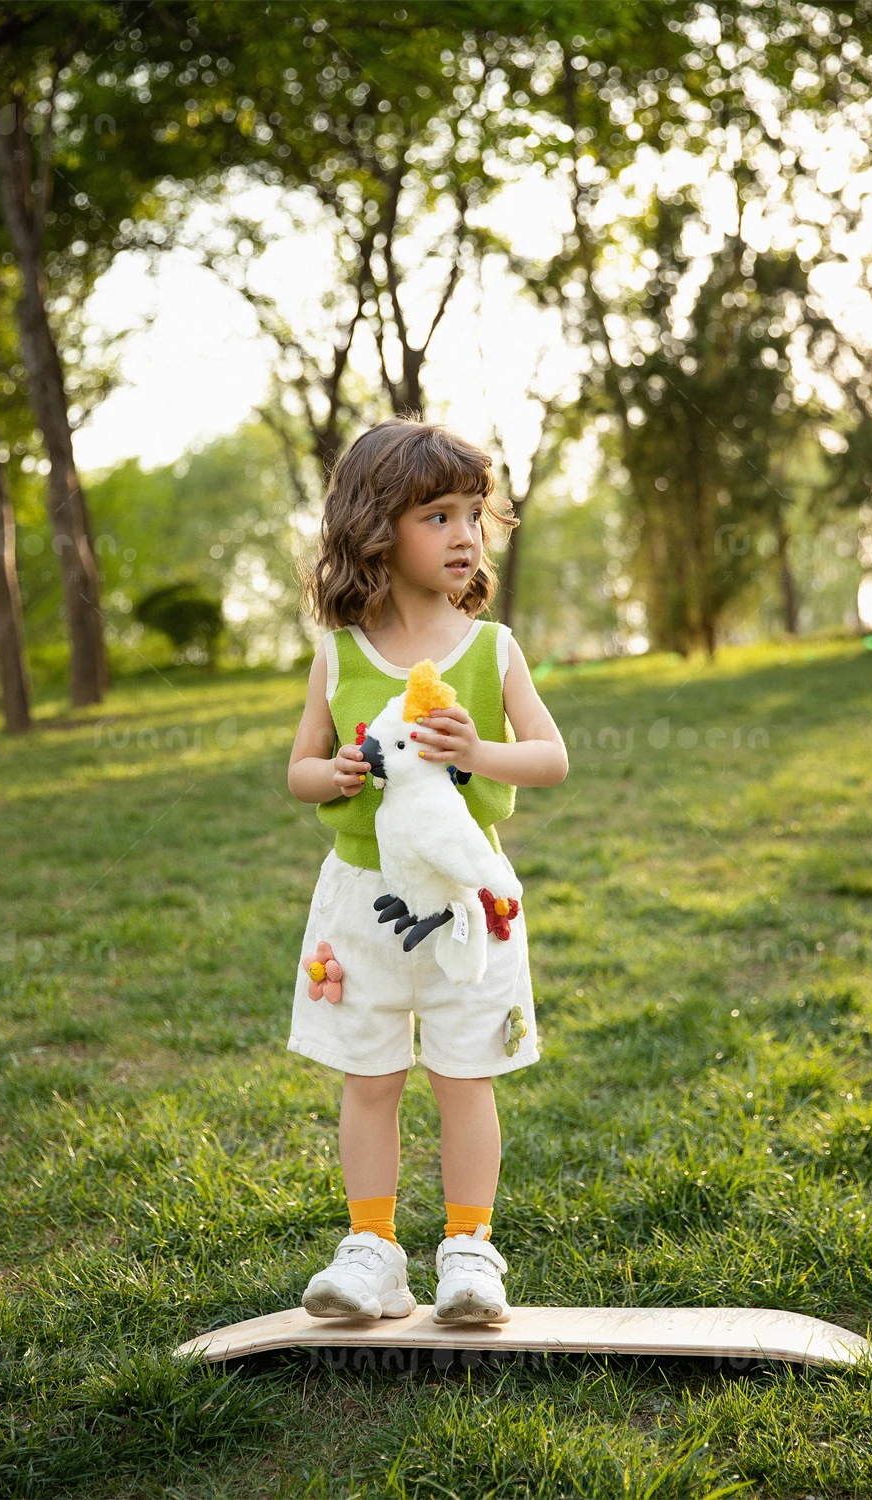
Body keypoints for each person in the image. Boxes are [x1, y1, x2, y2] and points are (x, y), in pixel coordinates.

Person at [287, 416, 569, 1324]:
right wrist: (329, 775)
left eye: (472, 515)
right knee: (369, 1079)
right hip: (362, 905)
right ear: (377, 530)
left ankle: (469, 1252)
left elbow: (551, 758)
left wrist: (478, 750)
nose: (464, 534)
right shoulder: (339, 652)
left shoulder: (492, 649)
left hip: (464, 902)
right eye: (436, 516)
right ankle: (372, 1251)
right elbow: (299, 766)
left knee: (462, 1076)